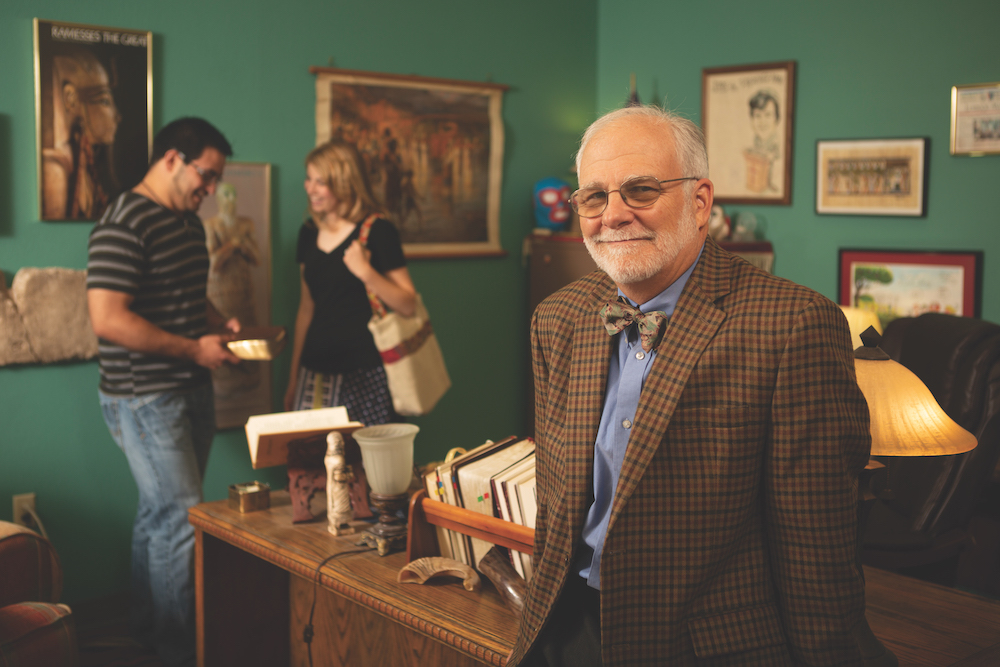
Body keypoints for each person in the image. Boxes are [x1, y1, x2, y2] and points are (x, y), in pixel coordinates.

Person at [509, 106, 871, 666]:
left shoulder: (794, 325)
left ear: (700, 202)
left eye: (641, 190)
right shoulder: (557, 318)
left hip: (702, 648)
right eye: (594, 197)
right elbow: (556, 506)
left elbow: (815, 548)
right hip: (563, 628)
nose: (614, 214)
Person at [86, 117, 239, 667]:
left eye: (217, 179)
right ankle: (181, 653)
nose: (212, 189)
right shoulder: (123, 221)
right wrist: (193, 349)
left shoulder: (187, 223)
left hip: (190, 388)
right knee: (181, 516)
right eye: (207, 175)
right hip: (143, 398)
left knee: (159, 515)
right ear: (173, 158)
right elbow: (107, 319)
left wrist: (220, 325)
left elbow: (186, 298)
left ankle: (147, 638)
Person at [283, 140, 416, 425]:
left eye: (321, 182)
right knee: (312, 466)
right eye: (309, 179)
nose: (309, 188)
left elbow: (408, 304)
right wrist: (293, 378)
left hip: (366, 374)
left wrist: (366, 271)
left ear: (344, 182)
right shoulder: (308, 232)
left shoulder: (378, 230)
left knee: (367, 467)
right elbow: (306, 308)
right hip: (315, 372)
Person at [43, 46, 121, 219]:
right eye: (105, 101)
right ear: (71, 98)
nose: (117, 116)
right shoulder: (55, 169)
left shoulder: (85, 160)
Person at [204, 182, 261, 396]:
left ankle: (249, 379)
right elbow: (213, 263)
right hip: (221, 294)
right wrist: (232, 245)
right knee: (226, 339)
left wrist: (242, 245)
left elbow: (257, 259)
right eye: (225, 195)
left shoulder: (246, 224)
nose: (230, 199)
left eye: (232, 194)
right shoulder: (211, 225)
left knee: (248, 337)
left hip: (244, 291)